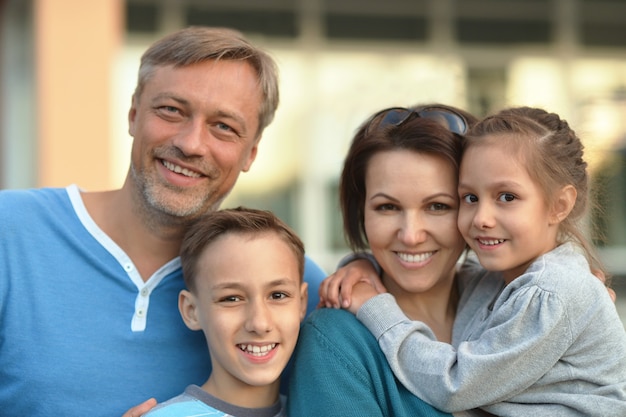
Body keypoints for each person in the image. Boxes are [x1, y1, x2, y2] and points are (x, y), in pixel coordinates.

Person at [0, 26, 326, 417]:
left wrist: (367, 273)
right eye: (172, 110)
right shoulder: (10, 230)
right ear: (134, 115)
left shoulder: (289, 281)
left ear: (250, 153)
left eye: (223, 126)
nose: (191, 144)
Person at [335, 106, 626, 416]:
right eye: (470, 198)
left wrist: (376, 307)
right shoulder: (497, 281)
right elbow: (453, 273)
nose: (482, 219)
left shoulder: (551, 293)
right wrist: (363, 265)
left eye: (507, 197)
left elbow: (454, 385)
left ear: (559, 205)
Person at [287, 104, 477, 416]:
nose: (411, 235)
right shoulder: (335, 341)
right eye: (388, 207)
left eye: (438, 206)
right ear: (360, 212)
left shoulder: (516, 307)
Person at [141, 207, 307, 417]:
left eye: (278, 295)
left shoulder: (321, 409)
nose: (259, 323)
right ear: (191, 311)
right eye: (231, 299)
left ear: (302, 303)